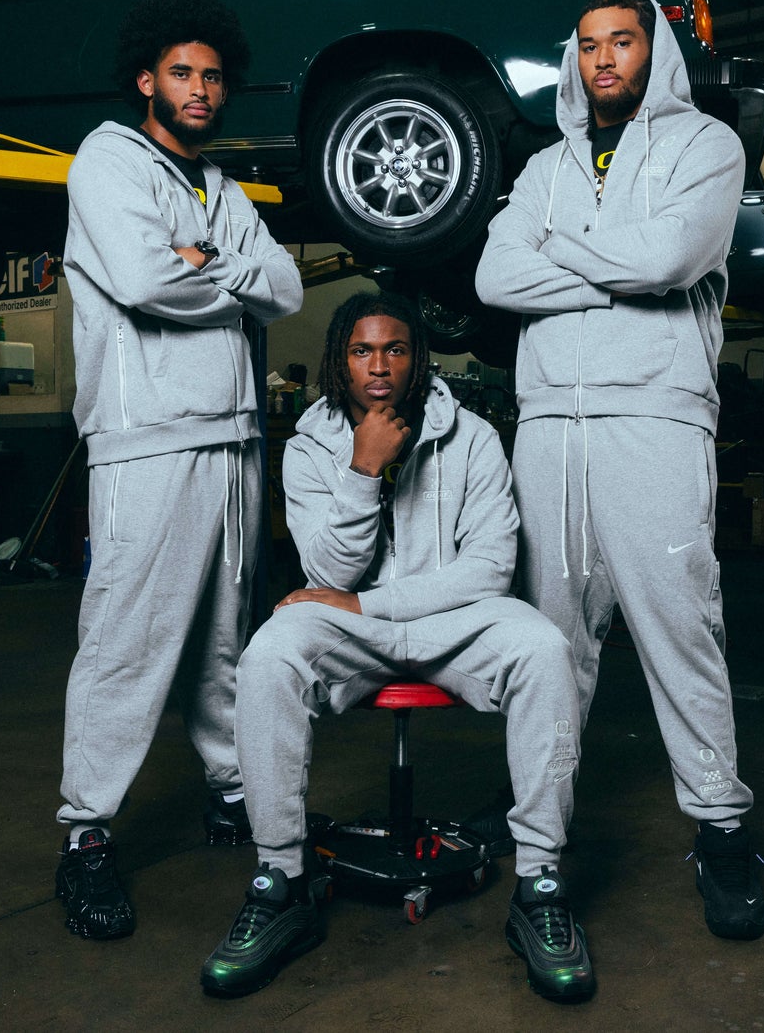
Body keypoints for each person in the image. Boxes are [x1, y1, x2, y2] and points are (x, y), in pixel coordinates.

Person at [474, 0, 764, 940]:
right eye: (590, 46)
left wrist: (560, 257)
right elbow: (492, 276)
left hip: (656, 417)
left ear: (657, 53)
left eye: (624, 42)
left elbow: (674, 257)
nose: (605, 59)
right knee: (551, 645)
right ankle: (540, 850)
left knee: (682, 626)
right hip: (549, 427)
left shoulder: (707, 148)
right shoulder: (541, 167)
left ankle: (723, 831)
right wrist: (614, 265)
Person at [199, 292, 593, 1003]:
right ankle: (280, 879)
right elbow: (328, 573)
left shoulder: (471, 435)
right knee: (267, 657)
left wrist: (367, 603)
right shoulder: (309, 445)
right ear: (338, 360)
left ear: (418, 358)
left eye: (395, 349)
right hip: (349, 623)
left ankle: (541, 882)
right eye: (361, 350)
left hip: (452, 617)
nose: (378, 366)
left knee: (543, 647)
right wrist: (362, 468)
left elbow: (489, 568)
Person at [54, 0, 303, 941]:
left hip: (235, 435)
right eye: (182, 73)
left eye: (211, 75)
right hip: (148, 435)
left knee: (223, 640)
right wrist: (217, 272)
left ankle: (231, 792)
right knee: (128, 638)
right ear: (145, 79)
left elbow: (278, 288)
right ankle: (85, 835)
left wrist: (220, 263)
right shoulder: (110, 158)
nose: (200, 89)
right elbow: (150, 280)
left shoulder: (223, 190)